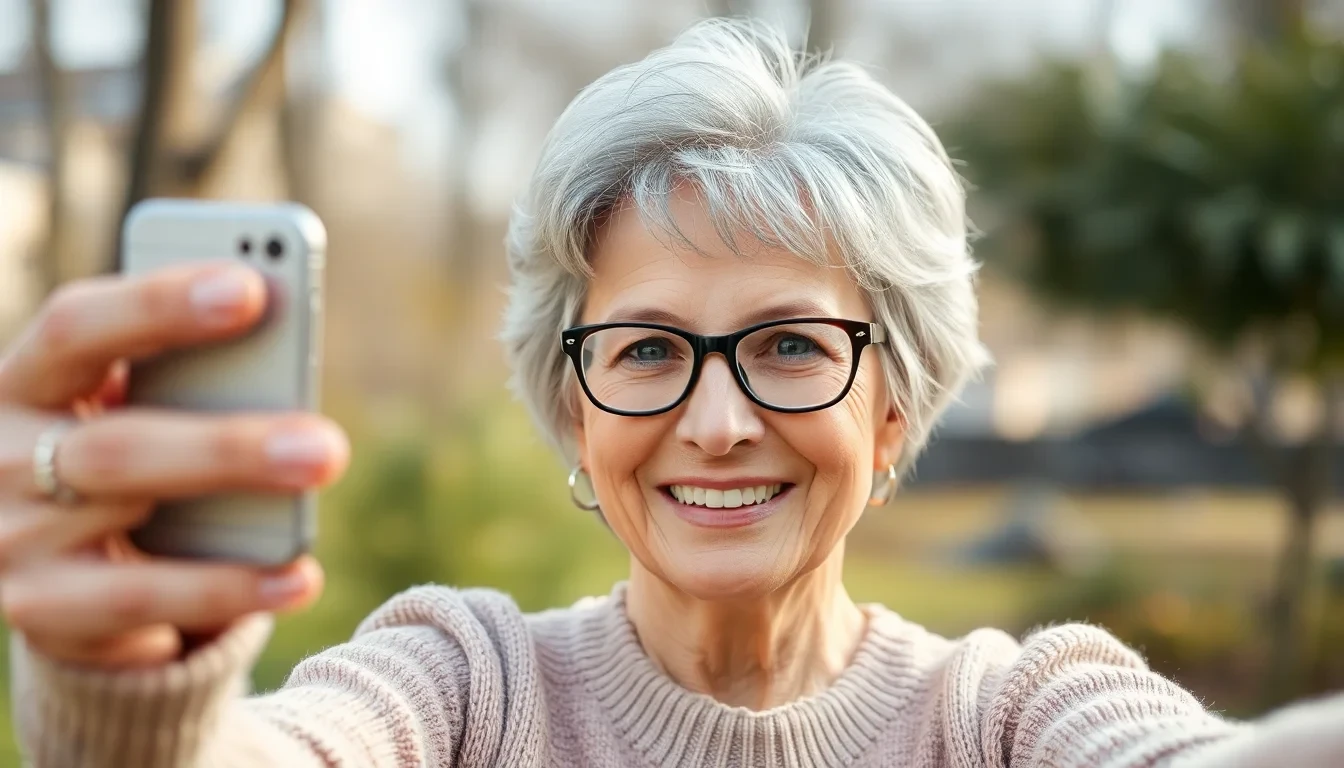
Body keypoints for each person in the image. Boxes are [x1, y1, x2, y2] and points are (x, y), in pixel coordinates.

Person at [3, 18, 1342, 768]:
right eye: (645, 351)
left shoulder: (1005, 717)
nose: (715, 422)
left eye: (790, 346)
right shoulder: (470, 692)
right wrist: (129, 706)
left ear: (893, 405)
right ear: (575, 405)